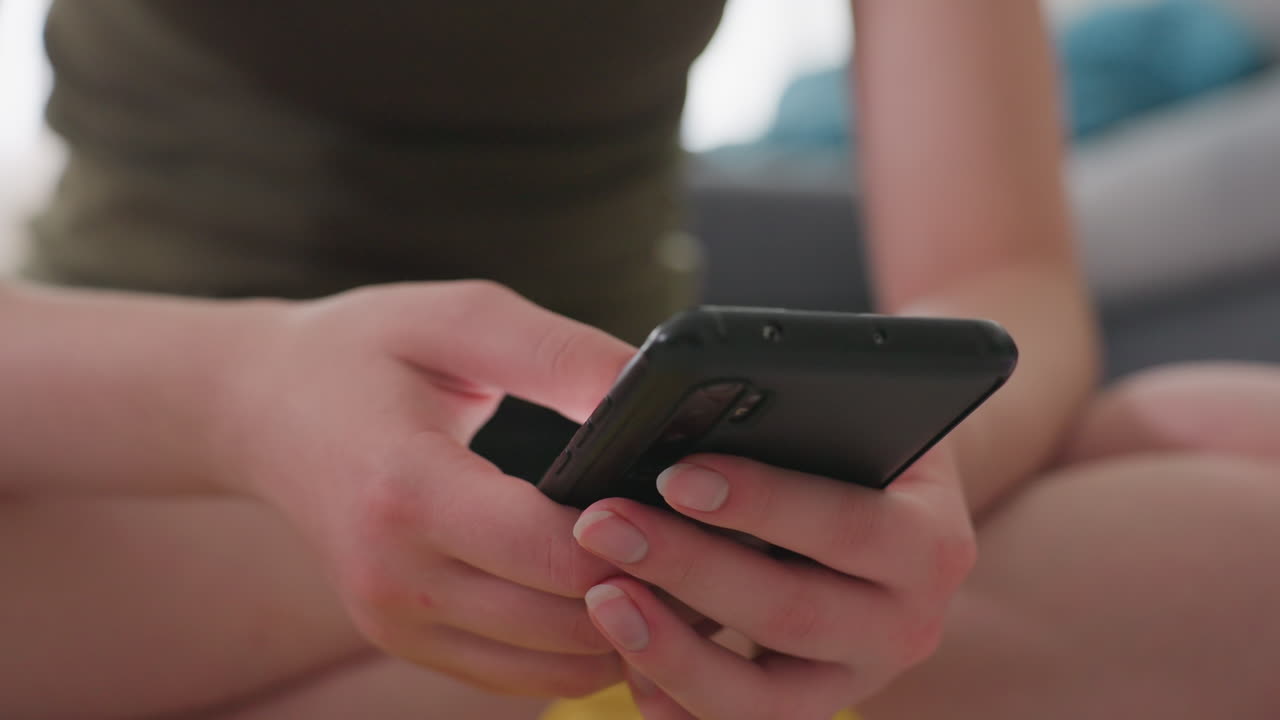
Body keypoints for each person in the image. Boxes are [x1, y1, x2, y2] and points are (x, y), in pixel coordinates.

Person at [3, 1, 1279, 718]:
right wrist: (238, 393)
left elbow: (1002, 280)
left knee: (1231, 434)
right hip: (131, 440)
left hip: (605, 444)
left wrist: (909, 482)